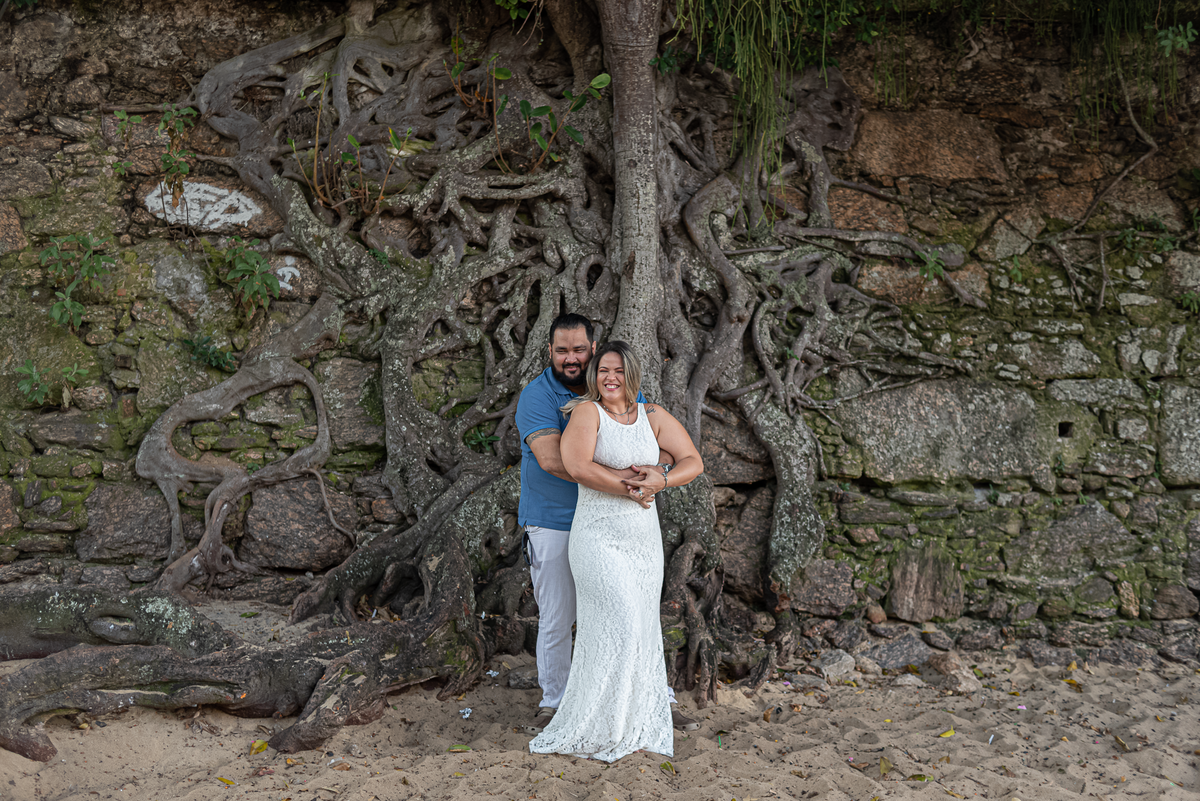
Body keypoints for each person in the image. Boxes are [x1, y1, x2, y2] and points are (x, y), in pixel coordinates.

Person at [515, 315, 697, 737]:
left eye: (579, 349)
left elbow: (652, 447)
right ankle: (554, 701)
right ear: (550, 353)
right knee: (559, 616)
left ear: (593, 349)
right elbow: (555, 461)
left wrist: (657, 473)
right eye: (562, 350)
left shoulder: (620, 390)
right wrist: (628, 486)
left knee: (634, 611)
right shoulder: (539, 395)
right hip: (557, 519)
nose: (571, 358)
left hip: (625, 526)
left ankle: (654, 697)